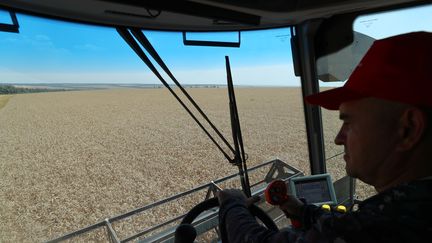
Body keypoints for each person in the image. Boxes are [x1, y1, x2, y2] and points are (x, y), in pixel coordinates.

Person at [217, 31, 432, 243]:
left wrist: (232, 205)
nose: (339, 138)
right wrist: (302, 211)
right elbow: (348, 226)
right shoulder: (409, 212)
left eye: (348, 122)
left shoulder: (379, 228)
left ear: (409, 128)